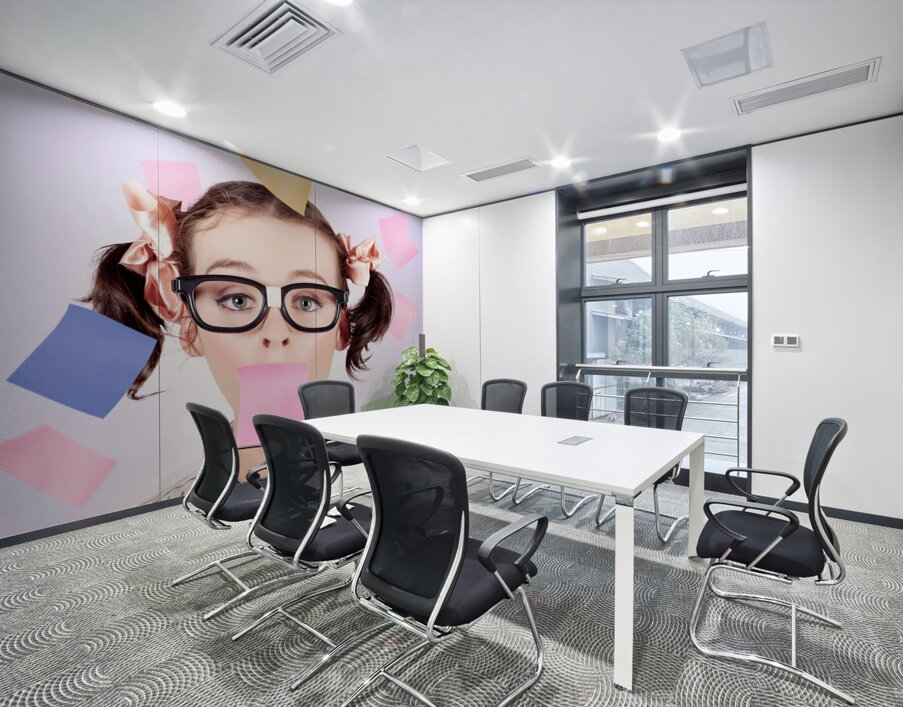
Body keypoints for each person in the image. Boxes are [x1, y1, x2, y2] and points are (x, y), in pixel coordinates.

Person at [85, 179, 393, 480]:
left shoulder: (368, 480)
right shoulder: (180, 502)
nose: (275, 332)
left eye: (307, 301)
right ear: (190, 331)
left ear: (341, 329)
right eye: (238, 299)